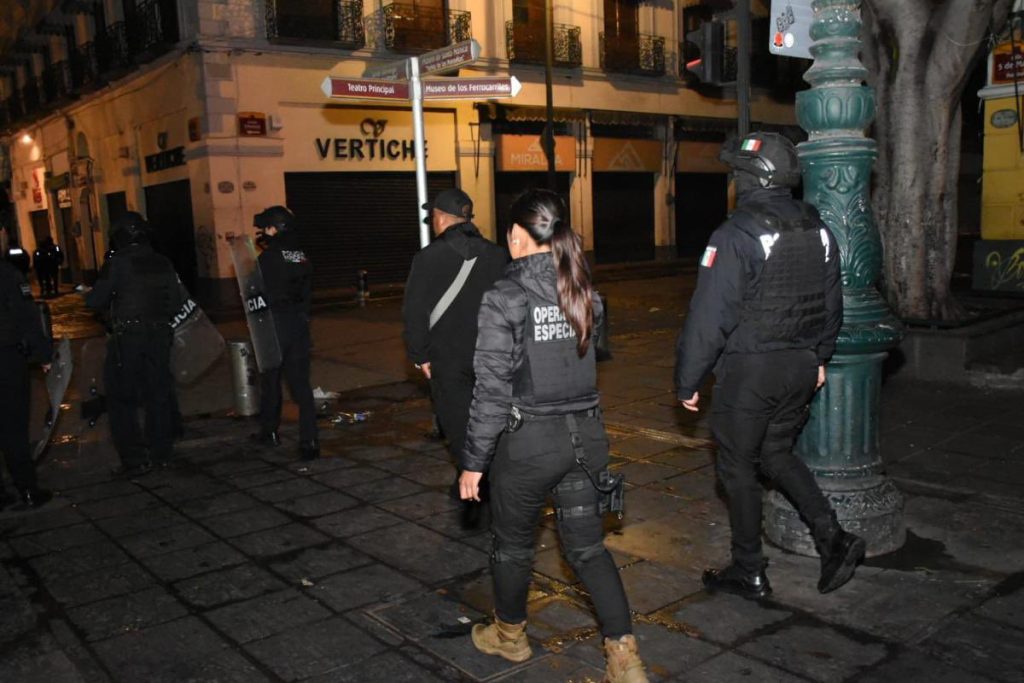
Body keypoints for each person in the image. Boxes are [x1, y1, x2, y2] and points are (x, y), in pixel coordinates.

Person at [459, 189, 648, 683]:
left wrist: (474, 462)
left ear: (515, 237)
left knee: (512, 548)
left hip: (528, 448)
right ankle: (625, 659)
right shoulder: (584, 291)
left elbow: (491, 389)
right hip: (585, 442)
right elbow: (588, 355)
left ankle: (510, 636)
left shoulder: (504, 297)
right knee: (588, 550)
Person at [674, 132, 865, 599]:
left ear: (753, 178)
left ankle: (749, 569)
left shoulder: (736, 234)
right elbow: (832, 303)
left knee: (736, 469)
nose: (733, 180)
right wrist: (819, 358)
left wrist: (688, 378)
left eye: (738, 172)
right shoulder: (818, 227)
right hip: (799, 366)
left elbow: (710, 316)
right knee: (775, 454)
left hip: (752, 372)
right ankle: (832, 537)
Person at [401, 188, 507, 521]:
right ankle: (492, 481)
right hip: (493, 354)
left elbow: (414, 311)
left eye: (433, 215)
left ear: (441, 218)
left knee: (458, 423)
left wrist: (419, 355)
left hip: (448, 357)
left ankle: (472, 483)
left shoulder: (428, 258)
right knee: (492, 418)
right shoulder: (498, 255)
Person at [86, 212, 183, 476]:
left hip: (127, 338)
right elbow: (176, 302)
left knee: (122, 399)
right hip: (159, 336)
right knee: (158, 396)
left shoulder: (117, 263)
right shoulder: (162, 262)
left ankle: (134, 459)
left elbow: (95, 301)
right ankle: (162, 454)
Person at [249, 206, 319, 461]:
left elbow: (255, 290)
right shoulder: (301, 256)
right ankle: (309, 440)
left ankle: (269, 431)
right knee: (301, 385)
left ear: (275, 228)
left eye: (266, 228)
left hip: (275, 325)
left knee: (271, 381)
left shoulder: (268, 258)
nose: (263, 232)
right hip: (299, 324)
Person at [0, 257, 54, 509]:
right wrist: (44, 354)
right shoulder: (7, 273)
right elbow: (27, 316)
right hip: (6, 358)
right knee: (14, 426)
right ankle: (27, 489)